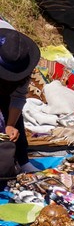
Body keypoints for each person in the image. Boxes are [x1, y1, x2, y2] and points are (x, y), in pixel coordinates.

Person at [0, 26, 40, 178]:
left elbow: (18, 97)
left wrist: (9, 125)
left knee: (12, 120)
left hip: (6, 89)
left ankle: (22, 159)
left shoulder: (21, 59)